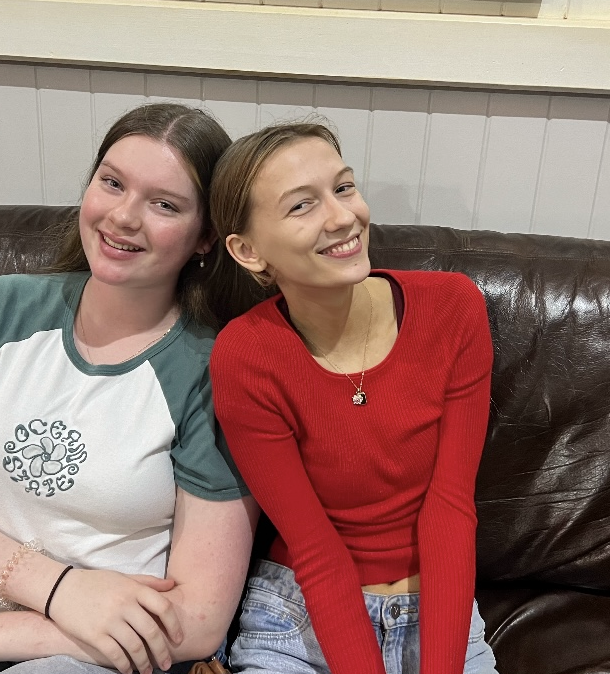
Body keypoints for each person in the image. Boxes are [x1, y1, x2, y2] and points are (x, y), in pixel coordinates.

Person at [0, 103, 258, 674]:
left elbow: (200, 620)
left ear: (205, 237)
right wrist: (57, 591)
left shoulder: (215, 371)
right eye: (112, 182)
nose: (123, 216)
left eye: (164, 204)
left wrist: (4, 634)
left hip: (109, 651)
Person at [206, 122, 499, 674]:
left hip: (440, 608)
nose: (343, 218)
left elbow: (452, 511)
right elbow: (314, 549)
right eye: (301, 206)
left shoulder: (453, 309)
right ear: (248, 251)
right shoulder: (246, 356)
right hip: (300, 617)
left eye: (343, 188)